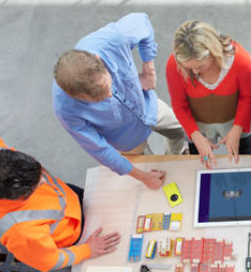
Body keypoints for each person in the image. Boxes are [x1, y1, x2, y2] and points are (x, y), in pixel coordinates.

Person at [53, 13, 185, 190]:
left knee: (179, 130)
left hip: (147, 105)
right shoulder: (66, 109)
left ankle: (174, 155)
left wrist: (149, 70)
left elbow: (142, 21)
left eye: (107, 86)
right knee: (148, 163)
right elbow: (101, 151)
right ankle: (161, 165)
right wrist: (144, 177)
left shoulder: (112, 39)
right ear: (76, 96)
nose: (109, 96)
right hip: (125, 137)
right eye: (98, 100)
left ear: (99, 61)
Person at [0, 129, 121, 272]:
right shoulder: (19, 231)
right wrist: (86, 250)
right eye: (35, 185)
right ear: (17, 196)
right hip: (72, 234)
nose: (43, 179)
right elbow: (50, 261)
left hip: (68, 195)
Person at [165, 20, 251, 169]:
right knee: (201, 164)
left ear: (214, 52)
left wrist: (238, 128)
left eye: (200, 66)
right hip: (198, 125)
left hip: (236, 119)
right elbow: (179, 105)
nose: (194, 72)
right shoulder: (174, 65)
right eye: (189, 68)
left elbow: (247, 97)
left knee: (242, 163)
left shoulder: (241, 60)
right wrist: (195, 136)